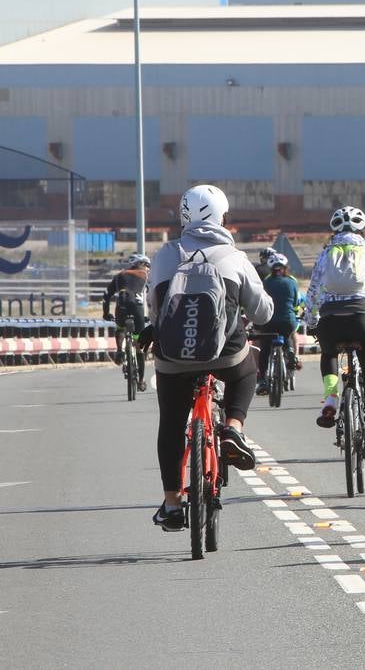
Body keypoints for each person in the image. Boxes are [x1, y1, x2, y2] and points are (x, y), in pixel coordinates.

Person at [146, 185, 273, 530]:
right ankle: (232, 427)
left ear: (183, 216)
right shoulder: (234, 257)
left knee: (171, 424)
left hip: (172, 358)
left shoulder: (165, 255)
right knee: (247, 367)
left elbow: (154, 308)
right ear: (224, 218)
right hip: (225, 354)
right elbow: (261, 312)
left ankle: (173, 504)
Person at [306, 205, 365, 476]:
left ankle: (331, 397)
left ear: (334, 230)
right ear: (363, 230)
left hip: (330, 319)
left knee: (328, 353)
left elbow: (313, 292)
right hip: (362, 318)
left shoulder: (325, 255)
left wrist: (313, 324)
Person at [254, 253, 301, 397]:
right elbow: (295, 302)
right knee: (287, 337)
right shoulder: (292, 282)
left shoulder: (266, 282)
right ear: (285, 267)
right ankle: (290, 352)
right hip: (288, 320)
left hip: (269, 321)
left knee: (265, 350)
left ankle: (262, 380)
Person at [104, 253, 151, 391]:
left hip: (121, 307)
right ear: (141, 265)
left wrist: (105, 313)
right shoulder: (145, 276)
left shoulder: (119, 276)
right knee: (139, 346)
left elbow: (106, 296)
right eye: (147, 265)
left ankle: (119, 350)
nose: (148, 268)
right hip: (137, 309)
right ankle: (141, 381)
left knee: (120, 328)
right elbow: (153, 296)